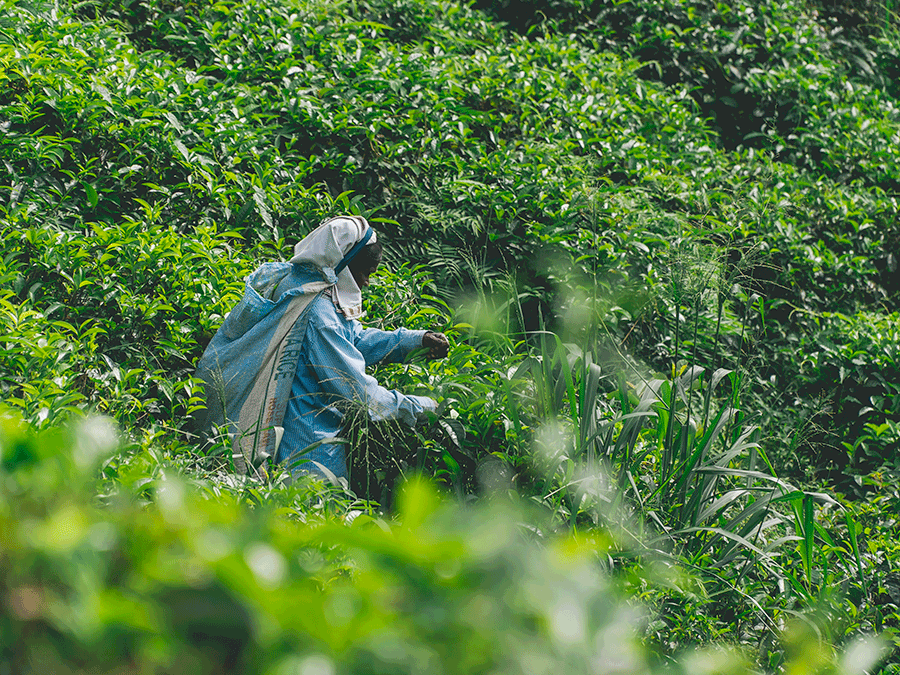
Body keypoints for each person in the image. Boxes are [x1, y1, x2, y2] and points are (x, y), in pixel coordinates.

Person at [193, 215, 449, 480]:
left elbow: (352, 339)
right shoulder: (319, 312)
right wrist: (422, 406)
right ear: (344, 263)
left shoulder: (300, 283)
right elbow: (359, 394)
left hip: (281, 429)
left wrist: (414, 341)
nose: (366, 282)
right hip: (306, 447)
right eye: (365, 273)